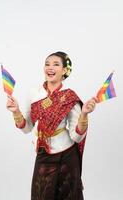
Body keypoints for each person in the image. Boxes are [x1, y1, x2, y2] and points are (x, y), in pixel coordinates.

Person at [6, 51, 97, 200]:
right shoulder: (34, 93)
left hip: (67, 154)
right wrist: (15, 111)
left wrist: (84, 114)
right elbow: (27, 127)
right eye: (47, 64)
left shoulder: (69, 97)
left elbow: (77, 136)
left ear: (64, 71)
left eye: (56, 64)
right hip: (44, 153)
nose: (50, 67)